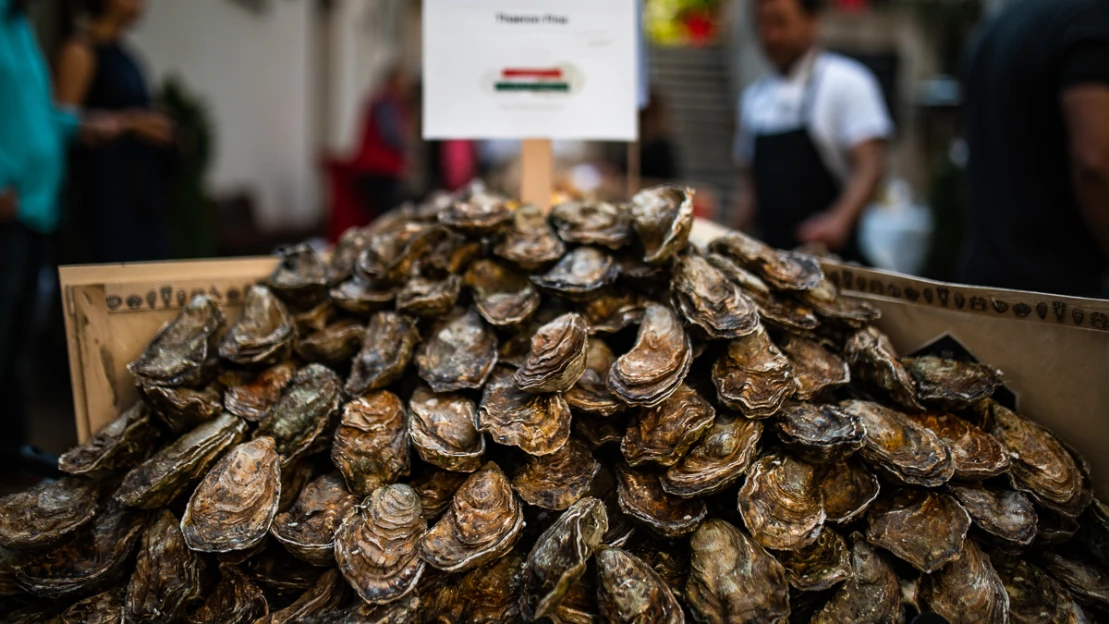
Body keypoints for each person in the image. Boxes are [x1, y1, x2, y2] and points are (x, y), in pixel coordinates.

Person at [0, 0, 117, 475]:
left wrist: (83, 126)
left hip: (37, 209)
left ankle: (10, 449)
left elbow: (34, 115)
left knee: (19, 337)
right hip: (8, 209)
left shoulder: (20, 27)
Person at [958, 0, 1109, 297]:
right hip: (1061, 302)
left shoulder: (1000, 24)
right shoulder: (1090, 20)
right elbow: (1096, 162)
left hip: (985, 285)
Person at [734, 0, 892, 261]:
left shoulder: (848, 82)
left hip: (833, 263)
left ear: (812, 21)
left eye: (780, 23)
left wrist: (839, 220)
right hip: (771, 262)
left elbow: (870, 168)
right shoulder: (754, 98)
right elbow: (750, 188)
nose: (770, 36)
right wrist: (727, 237)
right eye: (762, 25)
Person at [56, 0, 173, 264]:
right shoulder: (80, 52)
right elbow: (63, 123)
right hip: (104, 201)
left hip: (138, 195)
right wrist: (131, 123)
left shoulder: (127, 57)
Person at [351, 66, 411, 221]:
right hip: (380, 167)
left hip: (379, 166)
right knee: (383, 215)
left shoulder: (385, 102)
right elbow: (392, 137)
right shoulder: (386, 104)